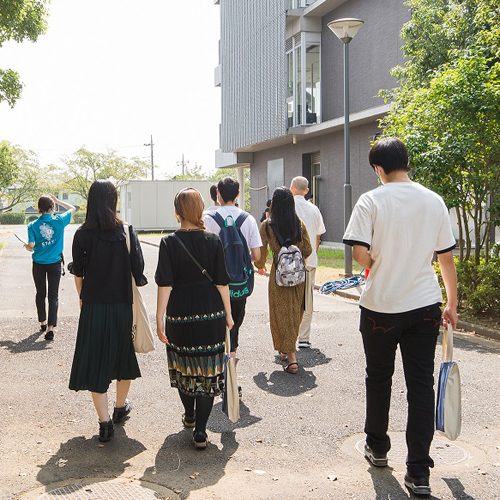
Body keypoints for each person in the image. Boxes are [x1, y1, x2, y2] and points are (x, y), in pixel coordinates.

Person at [342, 137, 458, 496]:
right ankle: (419, 473)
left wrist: (378, 265)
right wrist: (452, 303)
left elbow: (359, 251)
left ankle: (377, 447)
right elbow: (446, 258)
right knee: (421, 386)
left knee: (379, 378)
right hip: (425, 305)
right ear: (407, 161)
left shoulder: (371, 200)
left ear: (378, 169)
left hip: (380, 305)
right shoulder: (433, 200)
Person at [69, 180, 147, 443]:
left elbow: (78, 272)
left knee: (95, 361)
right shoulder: (126, 231)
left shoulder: (82, 233)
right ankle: (119, 408)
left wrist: (82, 297)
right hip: (121, 306)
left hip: (92, 306)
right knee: (121, 357)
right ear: (114, 201)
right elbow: (139, 269)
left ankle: (104, 425)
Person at [156, 188, 233, 449]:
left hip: (179, 314)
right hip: (210, 313)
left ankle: (189, 415)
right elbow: (222, 282)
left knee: (183, 366)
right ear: (199, 211)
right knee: (208, 369)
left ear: (177, 212)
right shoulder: (213, 240)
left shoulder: (168, 243)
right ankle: (200, 431)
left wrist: (159, 317)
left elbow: (164, 284)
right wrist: (229, 315)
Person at [204, 177, 262, 367]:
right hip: (239, 285)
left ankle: (219, 369)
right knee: (234, 327)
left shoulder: (208, 219)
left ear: (218, 194)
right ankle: (231, 373)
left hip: (214, 285)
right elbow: (256, 254)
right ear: (238, 194)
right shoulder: (249, 219)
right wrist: (241, 260)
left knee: (216, 327)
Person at [254, 187, 312, 374]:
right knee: (295, 312)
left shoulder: (267, 225)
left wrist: (261, 266)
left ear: (275, 203)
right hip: (298, 277)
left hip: (278, 276)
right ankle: (287, 350)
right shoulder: (299, 223)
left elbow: (261, 252)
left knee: (280, 314)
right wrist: (294, 250)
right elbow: (308, 249)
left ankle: (291, 358)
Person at [25, 194, 76, 340]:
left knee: (40, 293)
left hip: (39, 264)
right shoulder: (59, 221)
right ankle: (50, 328)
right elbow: (73, 208)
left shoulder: (32, 225)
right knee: (53, 296)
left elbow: (31, 246)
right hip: (54, 264)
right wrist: (58, 201)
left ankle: (42, 321)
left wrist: (26, 246)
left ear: (39, 208)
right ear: (52, 207)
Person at [290, 176, 326, 349]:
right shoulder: (314, 209)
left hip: (288, 263)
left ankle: (289, 335)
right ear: (306, 191)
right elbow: (318, 236)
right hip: (309, 260)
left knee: (289, 299)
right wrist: (312, 254)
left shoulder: (287, 208)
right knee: (307, 299)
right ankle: (304, 338)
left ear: (292, 188)